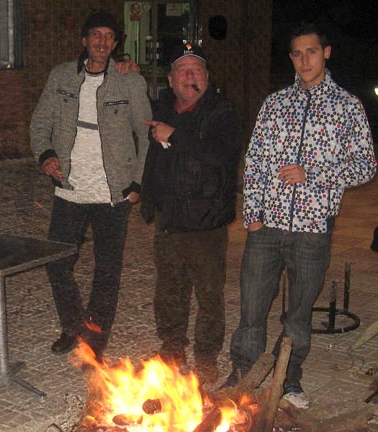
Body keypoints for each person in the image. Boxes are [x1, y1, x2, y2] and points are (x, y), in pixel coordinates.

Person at [225, 22, 377, 400]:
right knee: (252, 309)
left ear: (325, 53)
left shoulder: (346, 106)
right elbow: (256, 161)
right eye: (297, 53)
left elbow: (366, 165)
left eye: (311, 51)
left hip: (313, 229)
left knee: (298, 313)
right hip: (266, 227)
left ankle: (288, 377)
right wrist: (252, 214)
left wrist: (315, 174)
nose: (304, 60)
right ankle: (243, 372)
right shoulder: (275, 104)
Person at [29, 11, 152, 361]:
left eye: (109, 36)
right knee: (56, 262)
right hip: (70, 187)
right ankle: (72, 324)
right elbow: (40, 123)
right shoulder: (61, 76)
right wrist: (46, 155)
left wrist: (138, 182)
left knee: (107, 268)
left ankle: (96, 335)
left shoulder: (129, 82)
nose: (101, 42)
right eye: (95, 35)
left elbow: (146, 135)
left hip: (114, 191)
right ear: (84, 40)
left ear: (115, 44)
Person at [140, 43, 242, 383]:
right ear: (170, 80)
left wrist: (177, 135)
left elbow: (220, 155)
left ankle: (206, 355)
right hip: (169, 219)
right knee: (169, 287)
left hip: (206, 221)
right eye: (182, 71)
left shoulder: (223, 112)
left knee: (208, 292)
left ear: (207, 77)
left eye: (196, 70)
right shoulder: (163, 108)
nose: (190, 77)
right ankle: (171, 347)